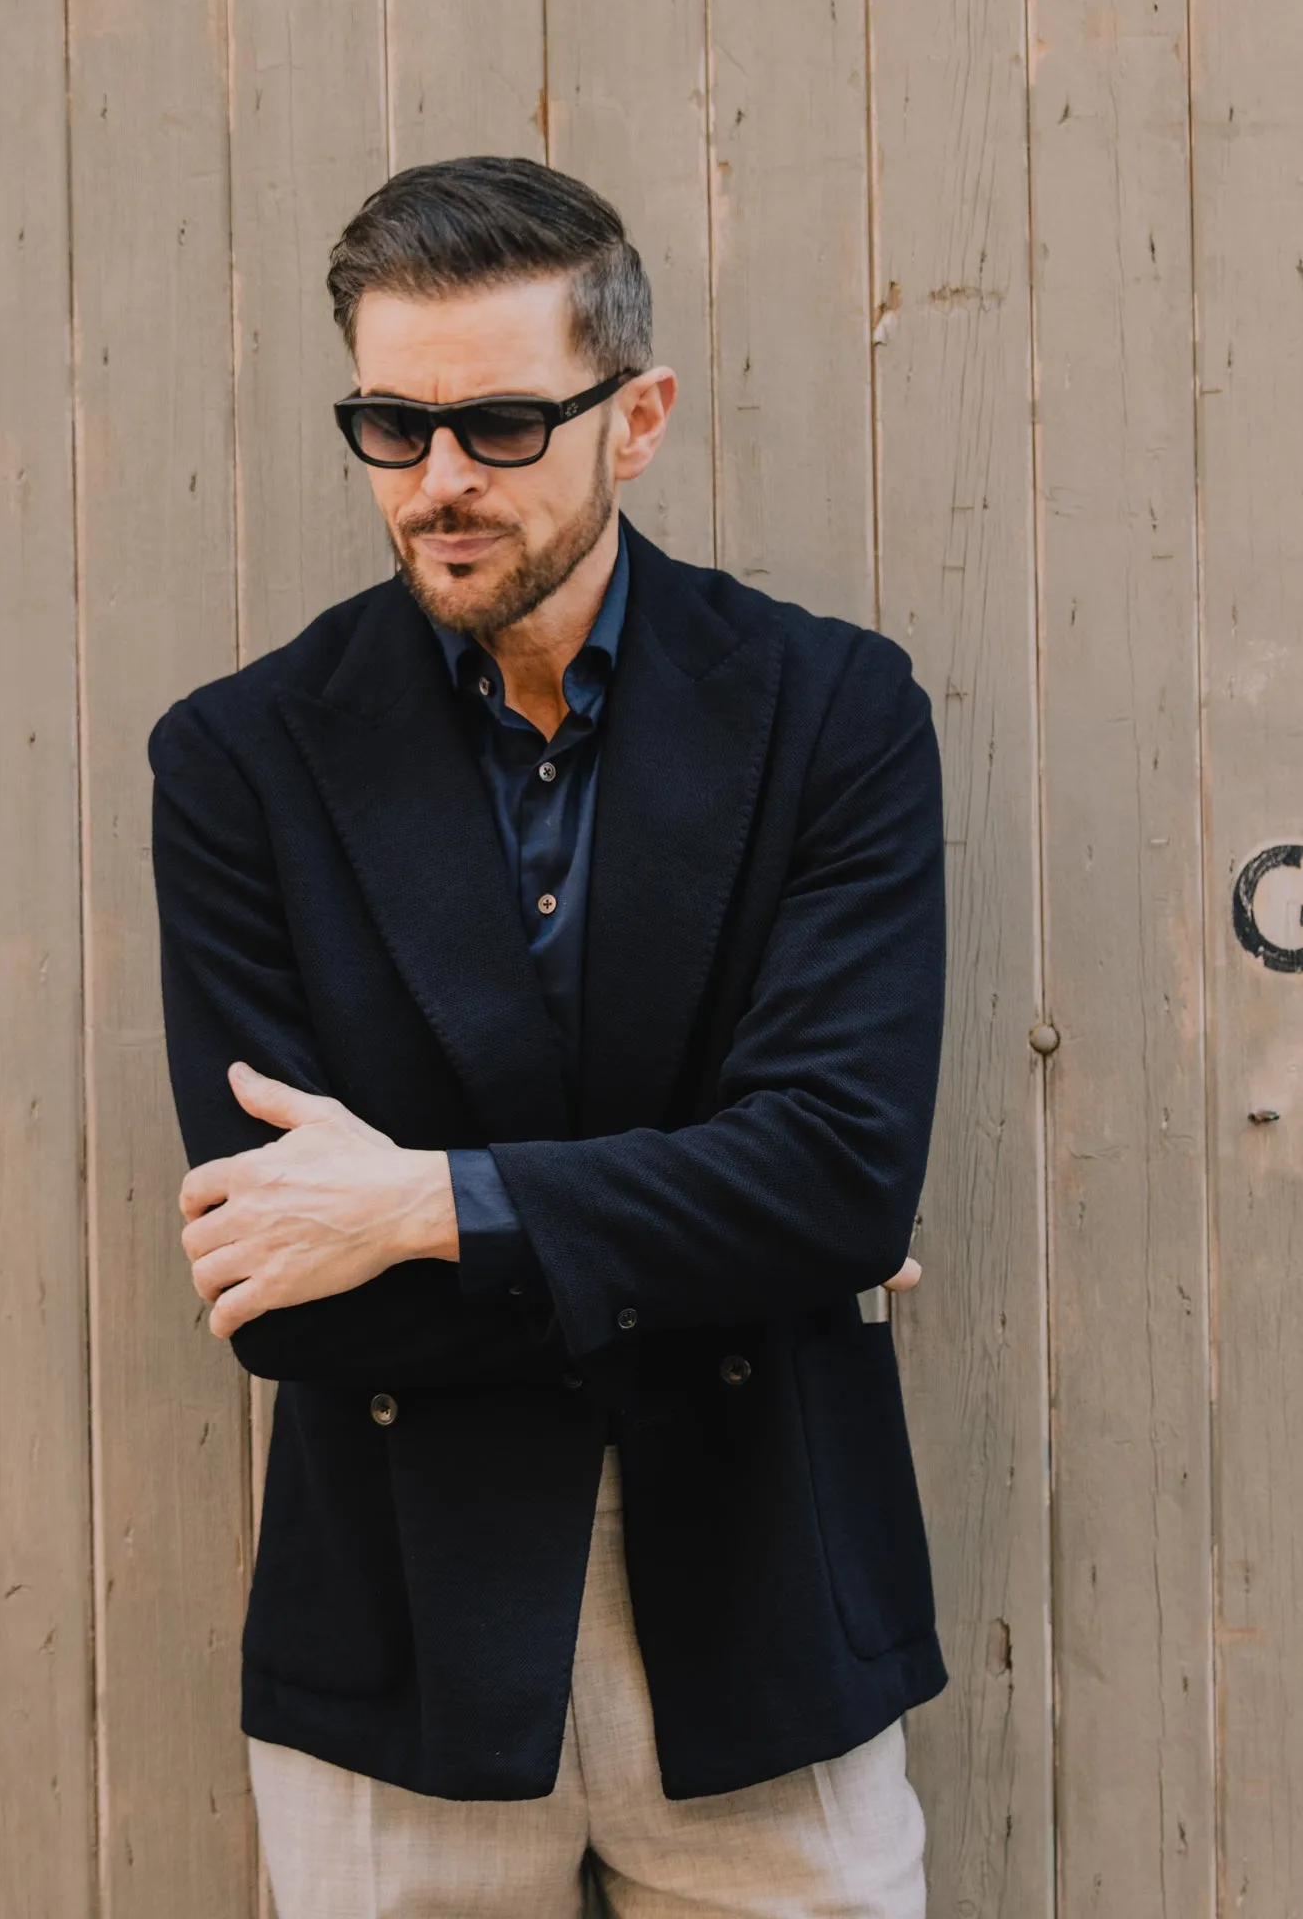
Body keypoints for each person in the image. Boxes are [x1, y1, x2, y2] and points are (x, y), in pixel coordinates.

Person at [147, 155, 946, 1918]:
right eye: (391, 425)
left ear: (635, 415)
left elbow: (839, 1180)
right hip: (405, 1629)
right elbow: (285, 1287)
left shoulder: (832, 715)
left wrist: (431, 1202)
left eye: (504, 427)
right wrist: (702, 1224)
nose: (439, 484)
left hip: (758, 1599)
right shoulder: (242, 761)